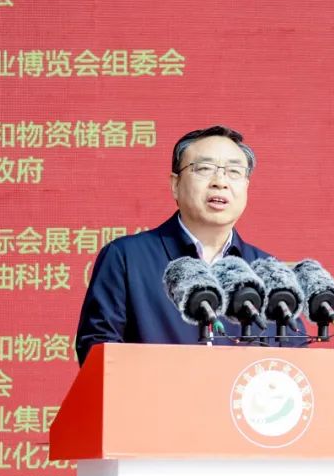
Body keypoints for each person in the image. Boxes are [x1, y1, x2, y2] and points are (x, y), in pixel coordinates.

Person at [75, 125, 304, 365]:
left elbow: (296, 362)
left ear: (246, 186)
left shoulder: (269, 274)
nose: (220, 182)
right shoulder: (127, 258)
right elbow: (99, 354)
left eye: (234, 172)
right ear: (175, 184)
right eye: (204, 169)